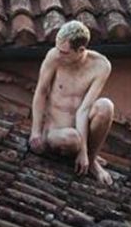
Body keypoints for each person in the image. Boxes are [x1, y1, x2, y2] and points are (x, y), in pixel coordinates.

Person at [29, 20, 115, 185]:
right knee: (72, 138)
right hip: (56, 132)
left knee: (106, 106)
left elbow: (85, 109)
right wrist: (35, 132)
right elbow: (40, 92)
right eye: (58, 49)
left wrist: (83, 152)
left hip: (79, 130)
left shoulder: (101, 66)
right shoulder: (54, 56)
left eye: (64, 52)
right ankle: (81, 151)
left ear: (81, 50)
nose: (59, 54)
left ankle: (91, 160)